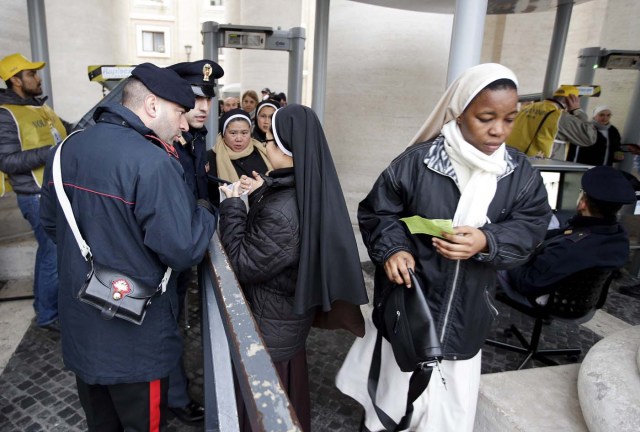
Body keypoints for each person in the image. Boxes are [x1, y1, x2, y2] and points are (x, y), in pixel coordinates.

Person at [336, 63, 552, 431]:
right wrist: (393, 250)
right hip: (411, 307)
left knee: (447, 413)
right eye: (486, 117)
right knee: (394, 401)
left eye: (509, 119)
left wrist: (488, 240)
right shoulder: (416, 164)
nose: (498, 130)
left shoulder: (519, 174)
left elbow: (532, 226)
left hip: (467, 314)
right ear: (460, 111)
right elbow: (378, 214)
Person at [39, 63, 217, 431]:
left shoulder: (65, 149)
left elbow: (53, 226)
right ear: (152, 106)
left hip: (84, 328)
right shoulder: (153, 162)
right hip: (138, 339)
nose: (184, 124)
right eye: (180, 112)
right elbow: (183, 250)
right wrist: (207, 210)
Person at [218, 104, 368, 431]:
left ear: (290, 150)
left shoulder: (283, 211)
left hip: (270, 331)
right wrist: (263, 191)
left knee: (265, 412)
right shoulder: (306, 187)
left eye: (271, 140)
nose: (265, 145)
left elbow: (243, 264)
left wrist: (232, 206)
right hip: (285, 322)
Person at [166, 58, 224, 425]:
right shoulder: (165, 142)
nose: (203, 107)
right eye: (194, 99)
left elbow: (198, 188)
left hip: (188, 245)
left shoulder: (196, 137)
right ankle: (173, 396)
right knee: (167, 326)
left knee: (174, 323)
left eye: (208, 100)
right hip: (169, 250)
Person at [0, 52, 74, 331]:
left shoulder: (41, 108)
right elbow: (6, 161)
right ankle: (48, 315)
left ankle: (46, 308)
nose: (38, 78)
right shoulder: (5, 115)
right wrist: (51, 152)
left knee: (51, 253)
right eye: (31, 74)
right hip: (34, 195)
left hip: (53, 191)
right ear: (16, 80)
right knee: (52, 255)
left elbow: (68, 131)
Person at [499, 165, 635, 306]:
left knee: (493, 253)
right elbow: (561, 234)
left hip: (543, 297)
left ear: (582, 203)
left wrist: (513, 253)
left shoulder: (568, 247)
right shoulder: (617, 235)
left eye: (581, 192)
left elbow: (527, 282)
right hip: (582, 301)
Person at [506, 86, 597, 160]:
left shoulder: (527, 108)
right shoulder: (559, 116)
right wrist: (577, 110)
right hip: (541, 166)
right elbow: (589, 137)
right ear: (571, 100)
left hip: (512, 159)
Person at [207, 108, 273, 207]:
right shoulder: (210, 158)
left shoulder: (263, 152)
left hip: (263, 214)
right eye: (233, 133)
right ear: (223, 133)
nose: (239, 139)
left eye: (244, 133)